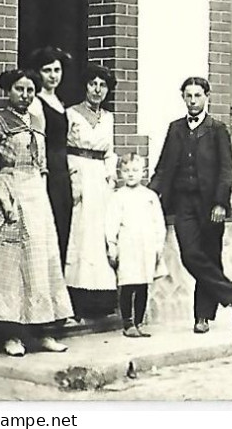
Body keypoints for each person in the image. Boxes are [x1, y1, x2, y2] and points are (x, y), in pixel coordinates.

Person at [0, 68, 72, 357]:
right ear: (8, 91)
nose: (25, 95)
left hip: (36, 196)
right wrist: (4, 200)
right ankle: (10, 336)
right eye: (19, 89)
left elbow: (42, 167)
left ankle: (44, 332)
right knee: (10, 267)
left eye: (30, 90)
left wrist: (42, 197)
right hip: (8, 193)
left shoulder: (38, 122)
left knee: (42, 264)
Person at [150, 76, 232, 334]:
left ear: (207, 97)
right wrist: (148, 196)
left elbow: (227, 171)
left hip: (210, 204)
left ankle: (201, 317)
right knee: (191, 255)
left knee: (210, 257)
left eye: (197, 96)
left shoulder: (218, 129)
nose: (193, 101)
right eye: (188, 96)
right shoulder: (175, 129)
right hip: (183, 202)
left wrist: (220, 203)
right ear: (183, 98)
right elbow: (163, 167)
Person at [64, 63, 118, 317]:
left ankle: (101, 301)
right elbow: (62, 150)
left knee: (100, 236)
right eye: (93, 84)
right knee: (80, 235)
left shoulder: (108, 118)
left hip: (101, 179)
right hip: (79, 174)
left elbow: (110, 152)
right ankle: (75, 298)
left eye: (103, 85)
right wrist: (73, 179)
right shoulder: (71, 114)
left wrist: (111, 178)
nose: (97, 90)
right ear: (85, 86)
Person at [105, 153, 167, 338]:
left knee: (143, 285)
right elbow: (111, 223)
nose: (131, 174)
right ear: (121, 173)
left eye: (135, 170)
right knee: (128, 284)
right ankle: (128, 323)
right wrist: (112, 245)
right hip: (127, 246)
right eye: (126, 171)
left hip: (146, 247)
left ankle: (139, 322)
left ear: (143, 172)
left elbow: (158, 223)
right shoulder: (118, 197)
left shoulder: (150, 196)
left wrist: (158, 246)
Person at [28, 46, 73, 268]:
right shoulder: (36, 103)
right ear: (39, 73)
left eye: (57, 70)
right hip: (50, 166)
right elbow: (38, 140)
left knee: (64, 222)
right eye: (47, 70)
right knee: (51, 221)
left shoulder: (60, 102)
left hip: (63, 166)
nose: (53, 75)